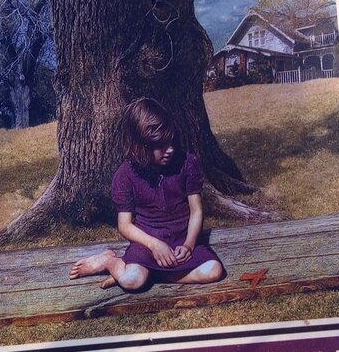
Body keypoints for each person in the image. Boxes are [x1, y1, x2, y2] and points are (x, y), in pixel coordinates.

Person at [70, 98, 225, 291]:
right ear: (140, 146)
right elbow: (125, 225)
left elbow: (197, 211)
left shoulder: (188, 163)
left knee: (214, 271)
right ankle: (109, 261)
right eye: (161, 145)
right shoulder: (125, 175)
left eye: (171, 141)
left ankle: (150, 275)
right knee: (132, 280)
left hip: (182, 241)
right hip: (146, 244)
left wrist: (189, 245)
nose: (170, 149)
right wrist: (154, 245)